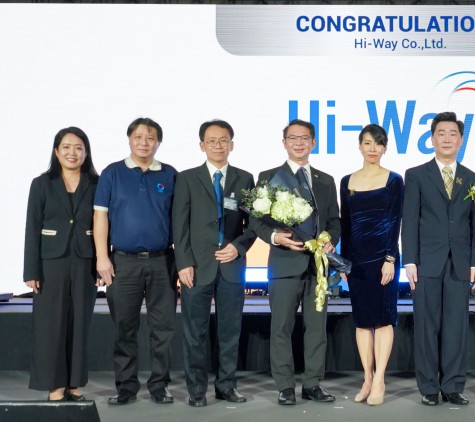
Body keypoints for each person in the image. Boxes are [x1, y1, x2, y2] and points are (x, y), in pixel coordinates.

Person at [249, 119, 341, 405]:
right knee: (281, 328)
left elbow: (335, 220)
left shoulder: (326, 180)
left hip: (317, 267)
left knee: (316, 329)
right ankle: (285, 387)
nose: (299, 143)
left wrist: (329, 239)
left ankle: (313, 384)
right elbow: (256, 221)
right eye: (293, 138)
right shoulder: (269, 177)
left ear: (313, 143)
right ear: (284, 142)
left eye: (304, 138)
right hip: (284, 264)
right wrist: (275, 237)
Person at [93, 117, 179, 405]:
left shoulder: (169, 174)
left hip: (162, 261)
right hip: (122, 262)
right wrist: (102, 257)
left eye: (150, 138)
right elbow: (100, 216)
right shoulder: (112, 173)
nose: (144, 143)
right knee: (124, 328)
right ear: (129, 139)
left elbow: (179, 221)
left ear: (158, 142)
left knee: (163, 329)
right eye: (139, 137)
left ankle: (160, 386)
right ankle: (126, 387)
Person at [172, 120, 256, 407]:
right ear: (202, 145)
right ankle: (196, 390)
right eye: (212, 141)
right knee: (194, 332)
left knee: (229, 331)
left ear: (232, 144)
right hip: (195, 267)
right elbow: (179, 225)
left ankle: (226, 386)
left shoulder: (245, 179)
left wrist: (238, 247)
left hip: (232, 266)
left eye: (223, 140)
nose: (218, 146)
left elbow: (253, 224)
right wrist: (183, 262)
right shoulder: (187, 179)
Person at [402, 111, 475, 406]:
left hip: (460, 263)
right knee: (426, 327)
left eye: (452, 134)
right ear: (432, 139)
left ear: (460, 140)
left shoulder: (472, 178)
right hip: (426, 262)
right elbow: (410, 220)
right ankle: (428, 388)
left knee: (456, 327)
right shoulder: (416, 175)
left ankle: (453, 386)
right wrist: (410, 260)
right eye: (441, 133)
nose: (447, 139)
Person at [23, 127, 100, 401]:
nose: (72, 152)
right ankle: (54, 386)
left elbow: (104, 225)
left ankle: (74, 384)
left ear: (86, 152)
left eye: (78, 147)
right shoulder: (42, 183)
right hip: (50, 263)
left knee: (79, 324)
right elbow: (32, 227)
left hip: (85, 261)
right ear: (56, 152)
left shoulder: (97, 183)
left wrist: (101, 264)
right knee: (50, 326)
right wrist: (31, 270)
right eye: (66, 147)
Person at [339, 124, 403, 406]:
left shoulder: (394, 180)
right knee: (363, 321)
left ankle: (380, 381)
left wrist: (390, 258)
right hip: (357, 262)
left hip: (383, 259)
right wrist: (343, 262)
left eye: (378, 143)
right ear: (360, 146)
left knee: (384, 319)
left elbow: (395, 221)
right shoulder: (347, 181)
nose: (373, 148)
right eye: (367, 143)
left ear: (385, 147)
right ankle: (367, 378)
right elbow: (345, 224)